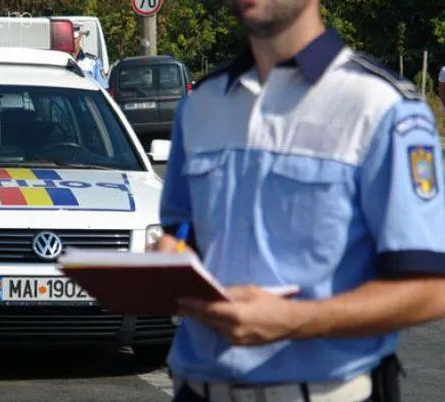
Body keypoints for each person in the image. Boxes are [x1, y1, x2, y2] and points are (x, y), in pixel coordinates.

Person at [153, 0, 445, 401]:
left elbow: (431, 288)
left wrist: (296, 320)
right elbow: (183, 235)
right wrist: (172, 255)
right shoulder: (200, 104)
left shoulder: (382, 107)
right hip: (197, 390)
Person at [71, 23, 108, 89]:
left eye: (74, 38)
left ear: (80, 37)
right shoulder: (57, 61)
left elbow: (103, 89)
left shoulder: (92, 62)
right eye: (68, 39)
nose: (71, 42)